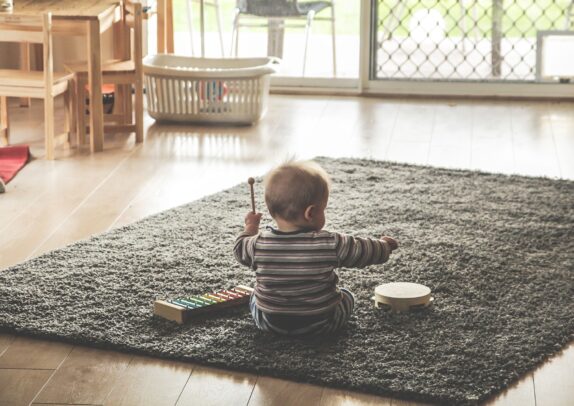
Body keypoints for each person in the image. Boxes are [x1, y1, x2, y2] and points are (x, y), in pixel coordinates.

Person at [234, 160, 398, 336]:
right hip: (321, 323)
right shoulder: (330, 243)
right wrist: (384, 246)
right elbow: (362, 250)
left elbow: (239, 248)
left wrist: (250, 227)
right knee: (347, 296)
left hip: (270, 323)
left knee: (254, 296)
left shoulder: (257, 244)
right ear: (310, 213)